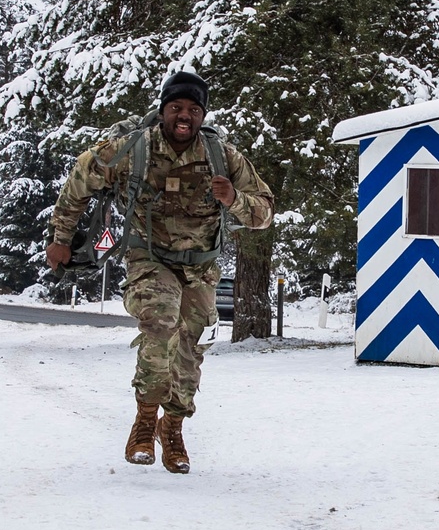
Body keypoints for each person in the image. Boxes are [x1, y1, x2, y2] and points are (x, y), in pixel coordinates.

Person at [46, 71, 274, 474]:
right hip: (149, 258)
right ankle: (144, 418)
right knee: (161, 321)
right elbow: (79, 181)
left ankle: (173, 429)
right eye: (176, 108)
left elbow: (264, 213)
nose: (184, 117)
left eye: (192, 110)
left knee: (188, 349)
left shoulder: (223, 157)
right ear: (163, 109)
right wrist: (61, 237)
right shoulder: (132, 149)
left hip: (201, 267)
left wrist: (234, 199)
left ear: (202, 115)